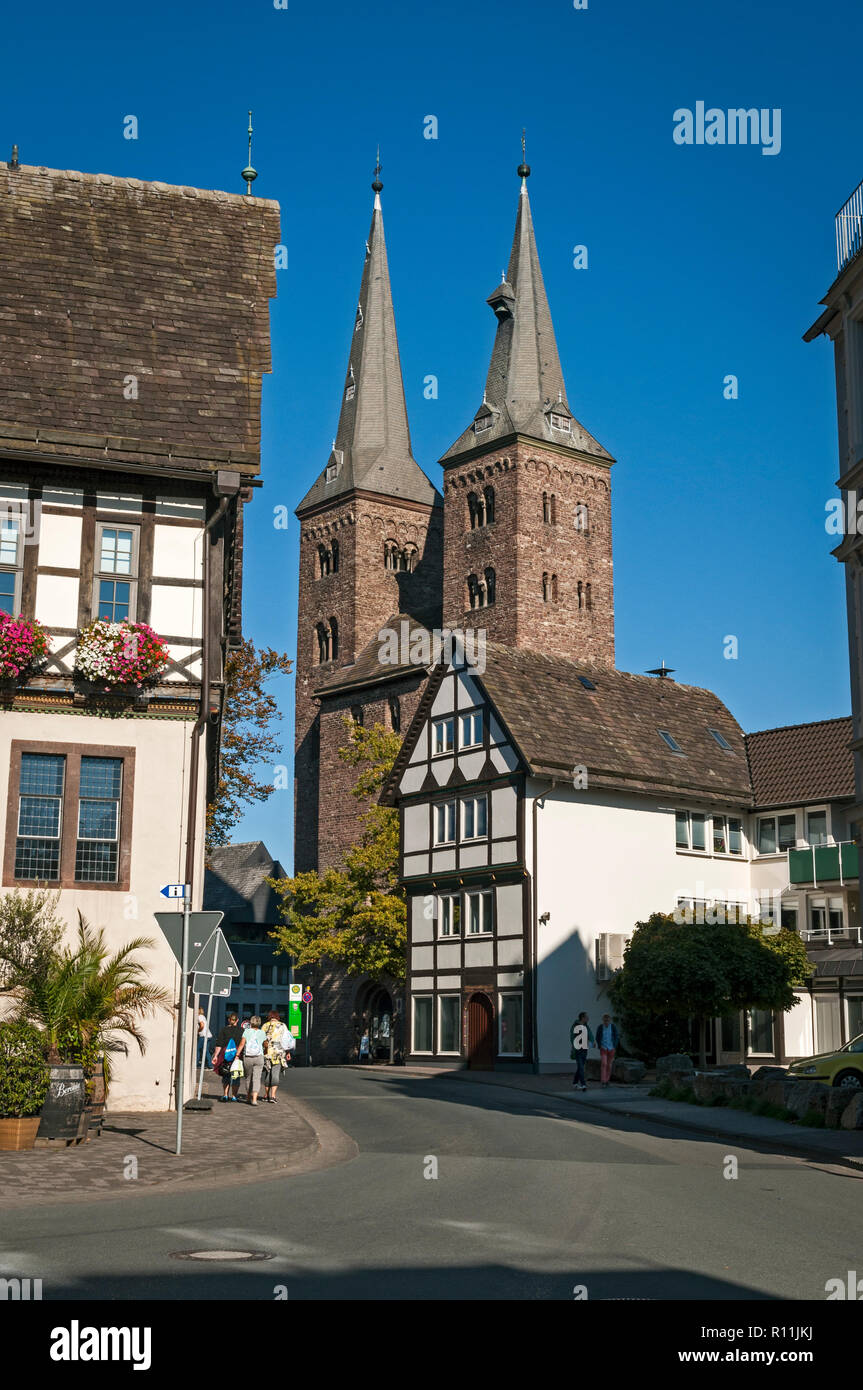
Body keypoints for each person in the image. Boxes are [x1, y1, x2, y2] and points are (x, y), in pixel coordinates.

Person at [211, 1011, 243, 1102]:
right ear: (238, 1020)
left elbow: (219, 1044)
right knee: (236, 1075)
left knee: (226, 1074)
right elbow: (243, 1044)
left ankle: (225, 1095)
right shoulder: (241, 1031)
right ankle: (234, 1096)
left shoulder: (224, 1030)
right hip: (237, 1055)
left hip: (226, 1055)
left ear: (229, 1020)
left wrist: (215, 1056)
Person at [262, 1010, 292, 1104]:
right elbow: (287, 1040)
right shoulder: (283, 1026)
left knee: (267, 1073)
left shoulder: (265, 1025)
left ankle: (266, 1095)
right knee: (275, 1074)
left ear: (269, 1017)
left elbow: (261, 1039)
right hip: (278, 1053)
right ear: (277, 1017)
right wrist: (288, 1052)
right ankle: (273, 1096)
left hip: (266, 1053)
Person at [236, 1014, 267, 1105]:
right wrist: (265, 1051)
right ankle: (254, 1099)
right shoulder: (262, 1033)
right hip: (259, 1057)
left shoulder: (246, 1032)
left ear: (251, 1022)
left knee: (248, 1078)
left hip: (248, 1057)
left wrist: (237, 1055)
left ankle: (248, 1097)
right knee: (257, 1078)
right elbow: (265, 1044)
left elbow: (242, 1044)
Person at [570, 1011, 594, 1091]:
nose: (588, 1018)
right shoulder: (575, 1026)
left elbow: (590, 1034)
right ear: (582, 1018)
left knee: (580, 1067)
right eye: (587, 1017)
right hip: (578, 1049)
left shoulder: (586, 1026)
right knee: (581, 1067)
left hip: (584, 1049)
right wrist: (575, 1046)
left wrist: (592, 1041)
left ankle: (575, 1083)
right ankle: (583, 1084)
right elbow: (572, 1037)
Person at [596, 1013, 620, 1087]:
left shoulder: (613, 1027)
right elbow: (597, 1037)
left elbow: (616, 1036)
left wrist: (614, 1045)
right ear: (603, 1020)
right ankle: (603, 1081)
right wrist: (599, 1045)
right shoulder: (600, 1027)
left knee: (609, 1065)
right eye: (605, 1020)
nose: (606, 1021)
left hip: (611, 1048)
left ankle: (607, 1080)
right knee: (604, 1064)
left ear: (610, 1020)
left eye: (608, 1020)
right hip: (603, 1048)